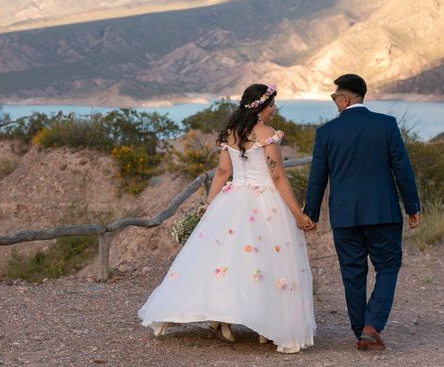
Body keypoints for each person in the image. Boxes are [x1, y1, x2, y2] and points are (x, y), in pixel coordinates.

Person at [139, 84, 316, 353]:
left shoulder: (232, 134)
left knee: (226, 260)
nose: (275, 110)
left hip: (233, 200)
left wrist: (209, 205)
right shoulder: (267, 134)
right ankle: (266, 326)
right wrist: (298, 213)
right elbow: (278, 176)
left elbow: (223, 171)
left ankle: (223, 316)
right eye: (272, 105)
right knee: (267, 262)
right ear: (259, 108)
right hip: (265, 203)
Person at [304, 73, 421, 350]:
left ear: (344, 99)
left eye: (335, 98)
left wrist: (311, 214)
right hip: (383, 212)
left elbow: (317, 178)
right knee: (388, 266)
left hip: (344, 216)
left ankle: (360, 331)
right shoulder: (386, 125)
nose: (335, 103)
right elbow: (402, 169)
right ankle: (372, 326)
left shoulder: (326, 132)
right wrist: (412, 206)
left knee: (352, 273)